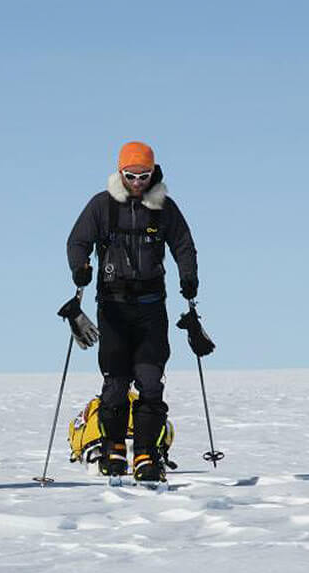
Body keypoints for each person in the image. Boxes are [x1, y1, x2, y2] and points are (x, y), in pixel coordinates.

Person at [66, 141, 198, 482]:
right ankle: (113, 449)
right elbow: (77, 241)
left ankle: (145, 453)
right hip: (113, 308)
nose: (138, 181)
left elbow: (183, 244)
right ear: (120, 172)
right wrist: (80, 266)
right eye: (131, 175)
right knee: (116, 383)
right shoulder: (102, 206)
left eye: (144, 175)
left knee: (151, 382)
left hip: (152, 310)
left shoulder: (165, 208)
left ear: (154, 172)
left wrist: (188, 275)